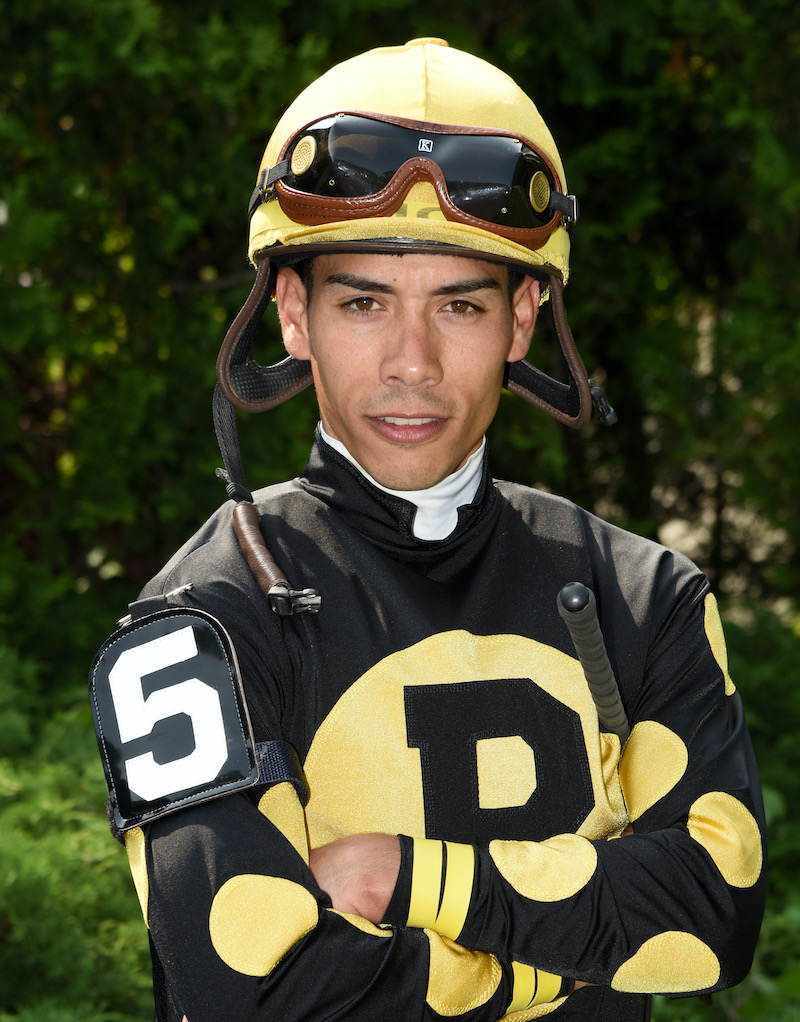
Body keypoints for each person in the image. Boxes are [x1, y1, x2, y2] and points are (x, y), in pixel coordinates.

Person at [89, 38, 766, 1022]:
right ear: (292, 313)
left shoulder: (645, 592)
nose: (411, 361)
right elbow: (249, 986)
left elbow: (714, 915)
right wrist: (563, 968)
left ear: (522, 319)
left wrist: (410, 878)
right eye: (363, 302)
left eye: (459, 304)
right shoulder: (200, 616)